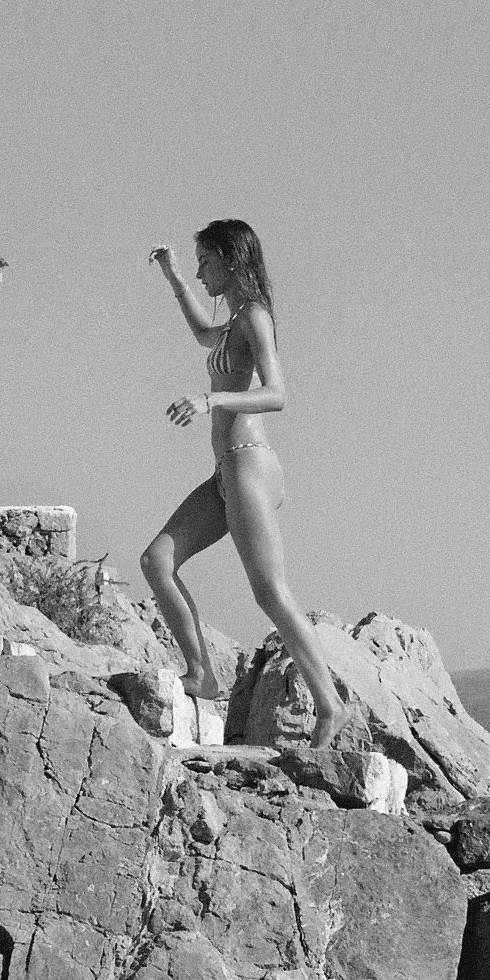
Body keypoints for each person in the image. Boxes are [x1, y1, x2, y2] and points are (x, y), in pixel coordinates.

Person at [141, 219, 348, 749]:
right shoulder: (230, 321)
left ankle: (329, 707)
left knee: (269, 592)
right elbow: (201, 334)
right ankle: (200, 673)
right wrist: (172, 279)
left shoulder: (254, 315)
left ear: (231, 261)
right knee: (157, 562)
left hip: (252, 464)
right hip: (224, 472)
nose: (200, 272)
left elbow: (276, 393)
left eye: (205, 262)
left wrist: (210, 400)